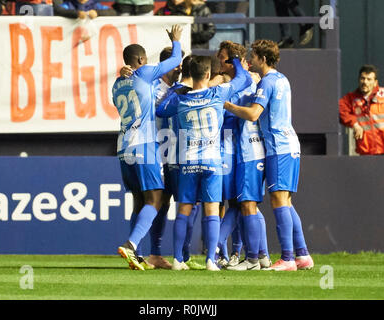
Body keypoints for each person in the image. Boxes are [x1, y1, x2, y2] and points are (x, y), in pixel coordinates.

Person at [224, 39, 314, 271]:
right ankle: (302, 254)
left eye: (253, 56)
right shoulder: (282, 79)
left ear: (263, 59)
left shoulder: (267, 82)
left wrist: (227, 105)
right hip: (289, 145)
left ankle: (287, 258)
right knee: (286, 201)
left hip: (278, 147)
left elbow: (254, 114)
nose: (251, 60)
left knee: (278, 201)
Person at [156, 55, 252, 271]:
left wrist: (177, 90)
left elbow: (160, 110)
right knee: (211, 210)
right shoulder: (218, 93)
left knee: (184, 209)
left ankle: (178, 260)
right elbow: (244, 79)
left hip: (188, 161)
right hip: (211, 161)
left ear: (191, 75)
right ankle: (211, 260)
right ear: (208, 75)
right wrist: (235, 60)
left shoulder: (181, 100)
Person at [113, 25, 183, 271]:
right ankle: (131, 246)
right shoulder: (145, 74)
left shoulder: (117, 85)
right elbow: (175, 59)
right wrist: (175, 40)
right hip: (144, 145)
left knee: (138, 201)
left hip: (123, 148)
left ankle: (138, 256)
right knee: (155, 199)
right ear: (141, 60)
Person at [214, 40, 272, 271]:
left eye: (222, 57)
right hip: (244, 151)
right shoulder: (252, 81)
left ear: (232, 61)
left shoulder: (248, 82)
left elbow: (250, 114)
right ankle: (261, 255)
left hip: (247, 151)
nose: (219, 61)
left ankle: (247, 257)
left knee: (242, 204)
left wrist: (223, 103)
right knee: (244, 204)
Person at [339, 64, 384, 155]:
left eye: (369, 79)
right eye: (362, 78)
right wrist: (355, 124)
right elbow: (340, 110)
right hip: (369, 152)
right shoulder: (351, 98)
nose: (365, 82)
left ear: (375, 82)